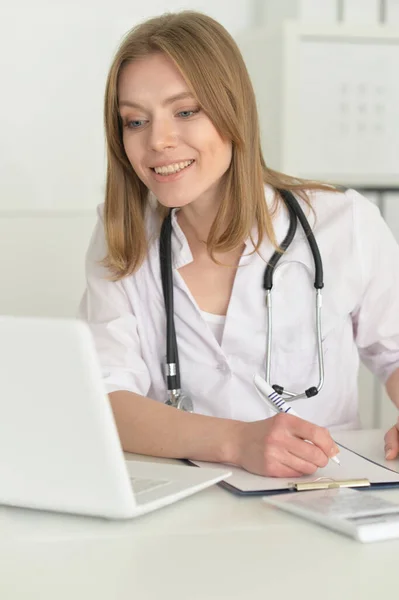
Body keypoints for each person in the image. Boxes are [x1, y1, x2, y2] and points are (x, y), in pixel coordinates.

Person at [79, 10, 399, 478]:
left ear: (234, 112)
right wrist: (235, 441)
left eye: (186, 111)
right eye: (135, 121)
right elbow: (106, 397)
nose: (158, 141)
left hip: (324, 493)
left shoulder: (344, 223)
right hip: (180, 508)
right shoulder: (121, 237)